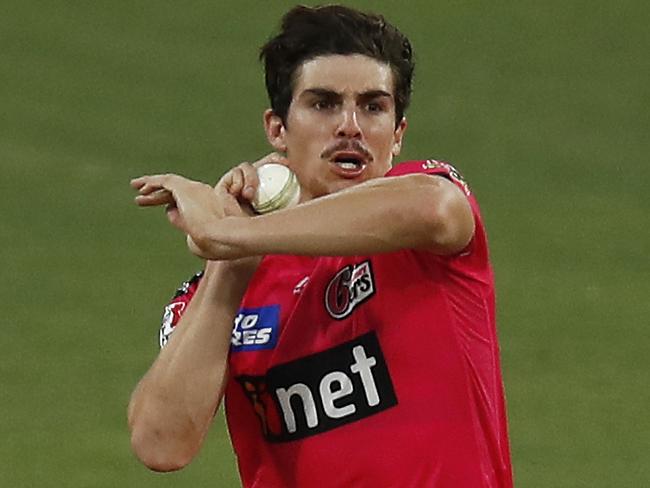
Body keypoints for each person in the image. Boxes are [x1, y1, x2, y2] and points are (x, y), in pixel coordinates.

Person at [127, 5, 513, 487]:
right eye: (323, 103)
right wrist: (230, 267)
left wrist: (223, 233)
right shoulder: (226, 282)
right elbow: (161, 443)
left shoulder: (426, 210)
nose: (350, 125)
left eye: (373, 106)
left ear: (397, 136)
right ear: (277, 130)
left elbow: (436, 208)